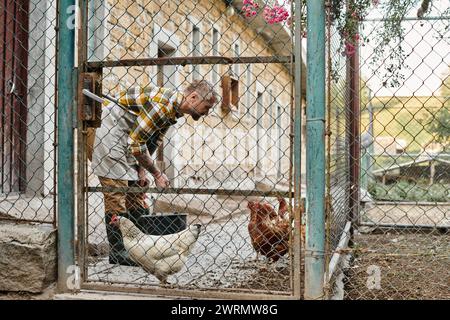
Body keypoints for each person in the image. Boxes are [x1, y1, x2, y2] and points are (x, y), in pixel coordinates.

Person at [90, 80, 219, 265]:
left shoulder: (173, 111)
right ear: (193, 97)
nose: (207, 113)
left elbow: (152, 141)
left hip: (129, 137)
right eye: (206, 107)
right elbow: (137, 145)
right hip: (112, 132)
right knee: (116, 193)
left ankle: (137, 247)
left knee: (136, 190)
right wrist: (157, 174)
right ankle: (119, 252)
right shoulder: (162, 106)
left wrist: (142, 170)